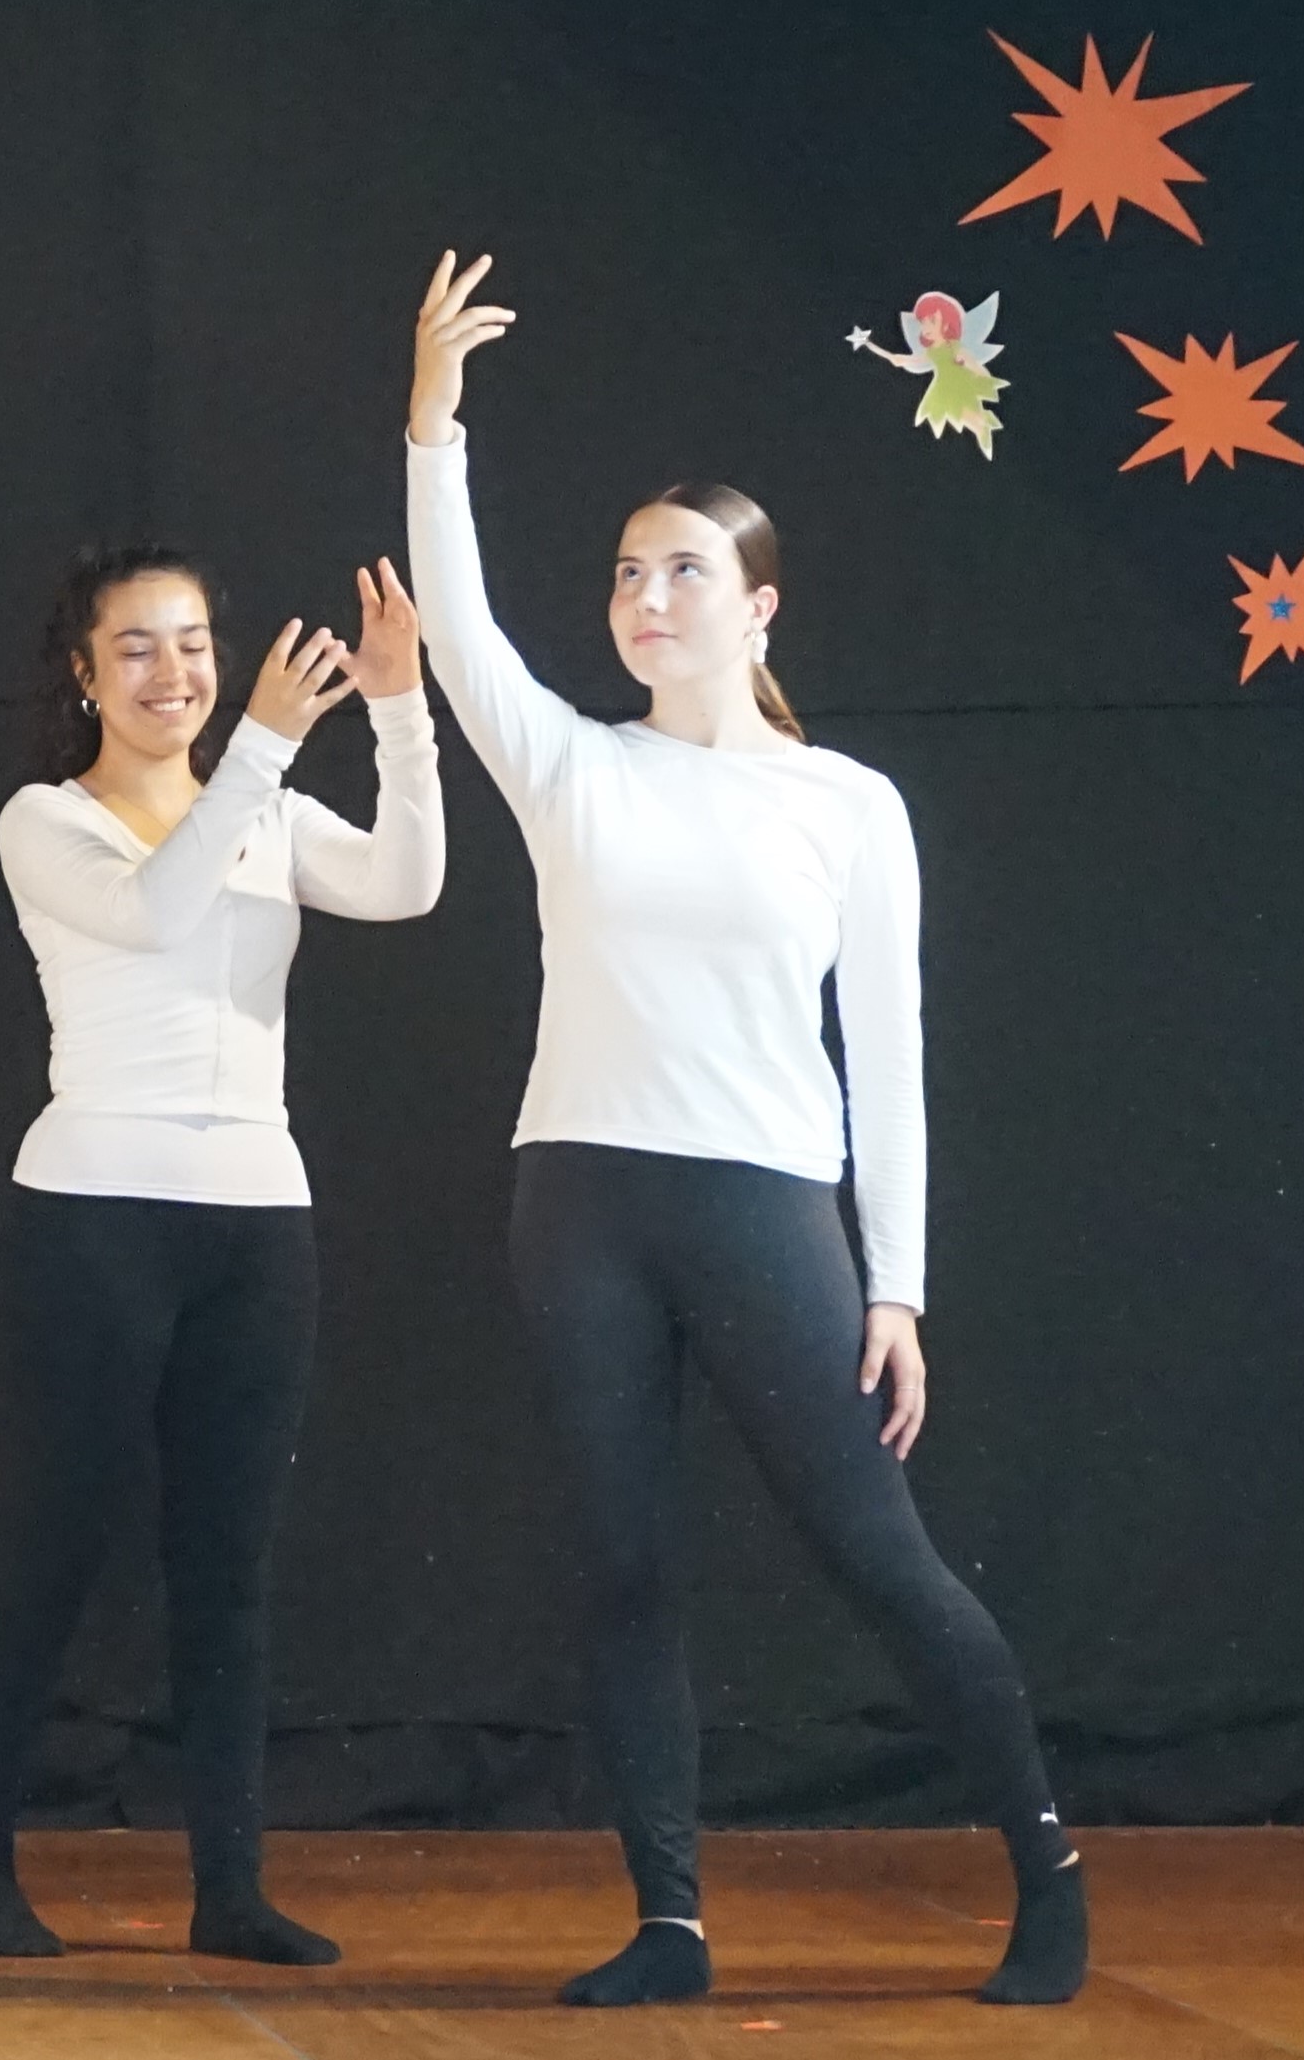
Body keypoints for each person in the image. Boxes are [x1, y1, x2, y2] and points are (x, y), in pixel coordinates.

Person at [401, 254, 1085, 2007]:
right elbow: (461, 635)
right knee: (624, 1564)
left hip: (768, 1206)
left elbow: (891, 1055)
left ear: (759, 606)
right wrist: (433, 422)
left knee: (878, 1553)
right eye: (627, 572)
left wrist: (897, 1282)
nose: (646, 596)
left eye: (683, 571)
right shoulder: (574, 765)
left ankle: (1047, 1870)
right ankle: (670, 1920)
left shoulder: (847, 806)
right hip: (579, 1202)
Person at [0, 548, 442, 1966]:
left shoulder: (262, 806)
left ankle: (230, 1887)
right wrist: (267, 745)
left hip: (257, 1220)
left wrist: (398, 710)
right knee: (55, 1546)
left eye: (195, 643)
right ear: (84, 674)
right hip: (93, 1214)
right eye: (139, 648)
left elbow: (406, 883)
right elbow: (158, 911)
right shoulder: (47, 818)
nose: (176, 673)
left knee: (228, 1566)